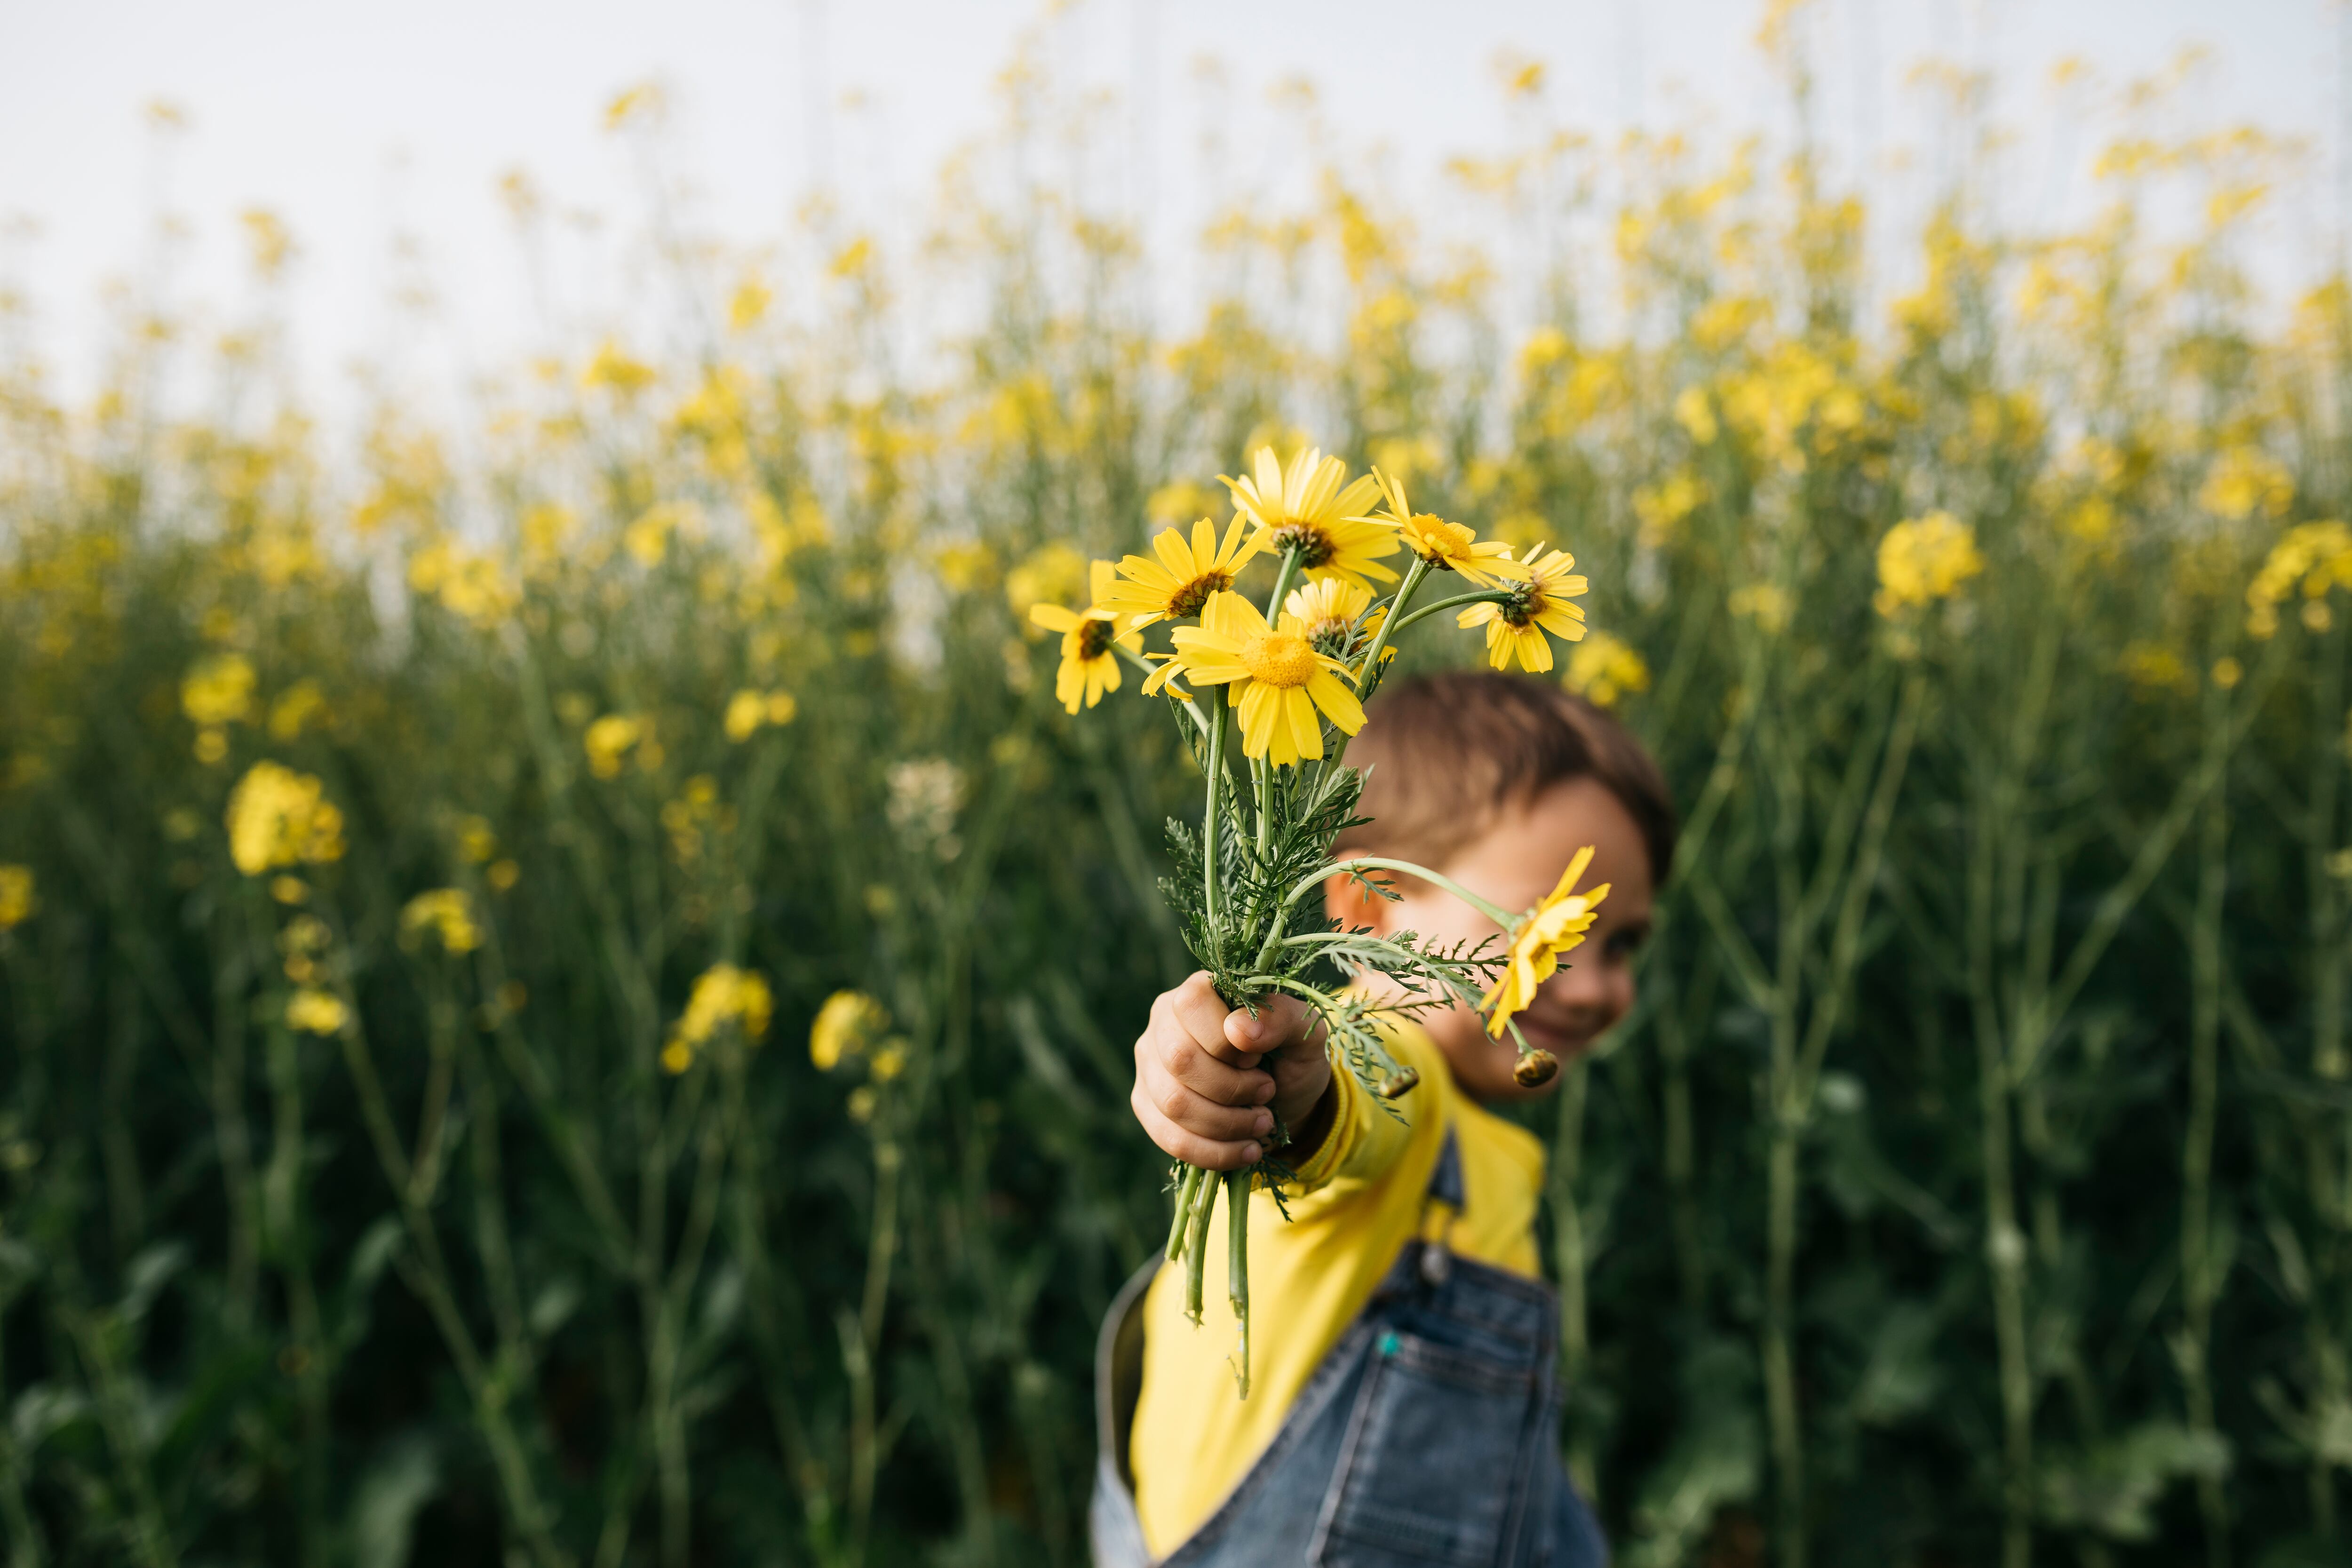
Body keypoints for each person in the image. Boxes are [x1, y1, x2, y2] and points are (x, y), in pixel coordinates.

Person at [1091, 670, 1676, 1567]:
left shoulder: (1490, 1144)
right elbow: (1357, 1102)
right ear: (1370, 902)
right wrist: (1288, 1090)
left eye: (1620, 942)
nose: (1595, 983)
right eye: (1544, 933)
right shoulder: (1396, 1063)